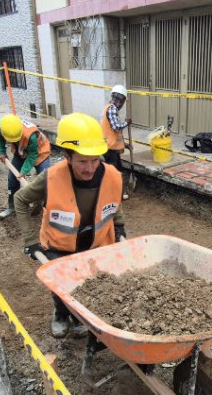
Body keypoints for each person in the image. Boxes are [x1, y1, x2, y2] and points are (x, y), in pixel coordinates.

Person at [13, 112, 127, 338]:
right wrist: (31, 242)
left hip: (94, 241)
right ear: (67, 155)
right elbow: (20, 200)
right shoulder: (50, 177)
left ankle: (80, 315)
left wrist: (120, 226)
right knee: (62, 285)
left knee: (90, 282)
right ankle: (61, 313)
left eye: (95, 160)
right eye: (82, 161)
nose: (90, 168)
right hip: (59, 244)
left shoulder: (113, 176)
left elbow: (113, 201)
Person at [0, 114, 52, 219]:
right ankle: (12, 206)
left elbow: (33, 155)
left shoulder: (31, 135)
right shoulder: (2, 126)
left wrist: (23, 171)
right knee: (12, 179)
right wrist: (2, 152)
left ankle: (47, 209)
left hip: (40, 151)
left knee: (46, 179)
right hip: (20, 151)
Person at [100, 84, 130, 174]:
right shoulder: (112, 109)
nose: (121, 103)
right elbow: (116, 127)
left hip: (109, 146)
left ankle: (117, 183)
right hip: (110, 148)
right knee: (112, 172)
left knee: (119, 169)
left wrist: (124, 144)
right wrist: (127, 123)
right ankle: (110, 186)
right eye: (121, 100)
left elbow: (112, 132)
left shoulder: (108, 107)